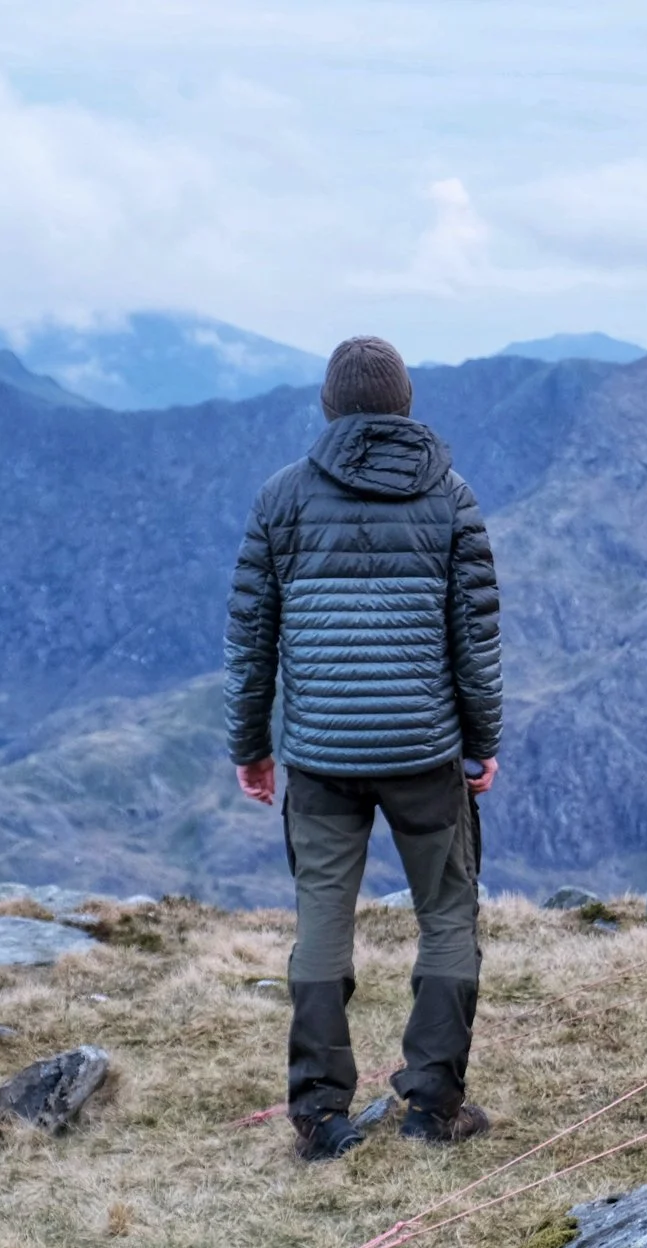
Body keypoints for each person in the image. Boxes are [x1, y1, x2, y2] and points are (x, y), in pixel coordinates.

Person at [224, 335, 502, 1162]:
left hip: (320, 756)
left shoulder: (282, 499)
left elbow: (252, 640)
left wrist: (251, 744)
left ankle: (320, 1116)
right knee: (448, 916)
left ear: (329, 407)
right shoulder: (451, 498)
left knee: (321, 921)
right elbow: (475, 639)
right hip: (425, 753)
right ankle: (433, 1104)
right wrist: (481, 741)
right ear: (406, 403)